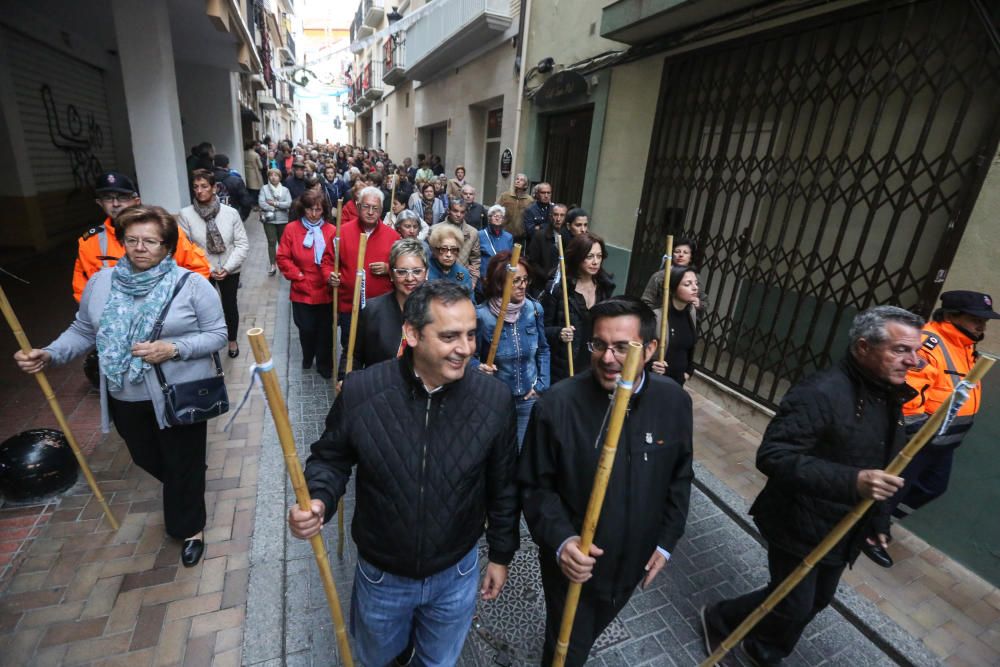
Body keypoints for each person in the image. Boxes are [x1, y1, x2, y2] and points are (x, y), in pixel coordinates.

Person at [288, 281, 519, 667]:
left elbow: (504, 484)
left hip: (456, 571)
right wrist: (318, 498)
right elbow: (330, 458)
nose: (466, 348)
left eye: (470, 334)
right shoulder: (363, 391)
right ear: (411, 334)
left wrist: (500, 553)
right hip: (383, 575)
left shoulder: (493, 400)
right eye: (449, 336)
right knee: (376, 658)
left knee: (438, 661)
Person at [700, 306, 922, 666]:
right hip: (798, 520)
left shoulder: (889, 395)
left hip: (843, 526)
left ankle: (754, 643)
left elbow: (885, 465)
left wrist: (879, 520)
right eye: (901, 350)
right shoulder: (821, 392)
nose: (913, 362)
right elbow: (773, 455)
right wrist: (853, 482)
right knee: (793, 602)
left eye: (916, 351)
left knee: (816, 600)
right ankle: (730, 626)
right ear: (863, 347)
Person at [17, 206, 227, 567]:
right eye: (132, 240)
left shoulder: (192, 286)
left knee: (183, 463)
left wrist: (173, 348)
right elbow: (83, 330)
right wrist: (49, 354)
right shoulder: (101, 283)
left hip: (180, 395)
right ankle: (185, 483)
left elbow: (218, 335)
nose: (140, 248)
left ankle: (191, 528)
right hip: (124, 394)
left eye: (150, 241)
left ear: (168, 245)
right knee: (145, 457)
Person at [519, 296, 693, 666]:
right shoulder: (557, 405)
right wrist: (562, 541)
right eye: (600, 344)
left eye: (622, 347)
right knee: (567, 648)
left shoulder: (674, 402)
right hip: (575, 567)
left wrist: (665, 542)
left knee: (593, 628)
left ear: (649, 349)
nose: (608, 358)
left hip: (633, 562)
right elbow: (535, 487)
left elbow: (679, 476)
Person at [861, 291, 1000, 568]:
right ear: (951, 315)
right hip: (919, 441)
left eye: (984, 320)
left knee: (933, 487)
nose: (981, 326)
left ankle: (879, 519)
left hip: (942, 443)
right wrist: (915, 436)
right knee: (894, 490)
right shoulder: (929, 344)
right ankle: (870, 532)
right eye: (975, 319)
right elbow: (908, 395)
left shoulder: (964, 346)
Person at [74, 172, 211, 302]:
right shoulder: (91, 242)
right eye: (108, 198)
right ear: (100, 203)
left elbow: (198, 269)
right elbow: (83, 289)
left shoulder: (165, 230)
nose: (115, 204)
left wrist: (181, 304)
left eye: (122, 197)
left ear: (136, 201)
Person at [474, 251, 549, 446]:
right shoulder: (482, 316)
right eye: (516, 281)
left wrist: (541, 385)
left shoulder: (534, 310)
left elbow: (543, 349)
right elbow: (470, 357)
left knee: (522, 452)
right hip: (495, 400)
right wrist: (479, 367)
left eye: (525, 280)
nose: (523, 285)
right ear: (499, 283)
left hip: (528, 398)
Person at [179, 170, 248, 359]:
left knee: (229, 305)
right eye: (195, 187)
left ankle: (232, 340)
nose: (199, 191)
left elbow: (242, 244)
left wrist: (227, 268)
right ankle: (209, 343)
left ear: (214, 188)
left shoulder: (230, 213)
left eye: (204, 186)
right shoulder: (185, 215)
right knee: (204, 308)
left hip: (229, 268)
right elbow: (187, 247)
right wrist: (209, 269)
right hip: (201, 271)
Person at [329, 187, 401, 348]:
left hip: (381, 309)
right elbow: (328, 259)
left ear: (381, 210)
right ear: (357, 206)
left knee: (377, 349)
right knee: (350, 349)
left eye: (375, 208)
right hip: (349, 305)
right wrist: (330, 274)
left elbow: (402, 267)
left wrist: (389, 268)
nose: (370, 212)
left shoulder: (393, 237)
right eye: (366, 207)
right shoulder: (342, 233)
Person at [342, 238, 427, 374]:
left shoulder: (437, 311)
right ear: (391, 274)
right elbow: (353, 355)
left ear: (426, 273)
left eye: (417, 271)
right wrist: (345, 379)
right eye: (402, 272)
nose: (410, 278)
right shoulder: (372, 311)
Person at [276, 189, 337, 378]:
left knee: (325, 330)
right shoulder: (292, 229)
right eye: (309, 209)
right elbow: (283, 257)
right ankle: (307, 354)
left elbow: (338, 258)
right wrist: (298, 275)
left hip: (325, 287)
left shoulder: (332, 231)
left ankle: (324, 363)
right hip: (302, 287)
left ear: (323, 211)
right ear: (303, 209)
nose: (313, 214)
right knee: (307, 328)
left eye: (318, 210)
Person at [540, 232, 615, 384]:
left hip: (595, 363)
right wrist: (559, 333)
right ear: (577, 257)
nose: (595, 262)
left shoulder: (605, 288)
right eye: (589, 257)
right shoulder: (559, 288)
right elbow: (541, 329)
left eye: (599, 256)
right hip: (564, 367)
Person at [649, 266, 699, 387]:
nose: (695, 288)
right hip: (657, 382)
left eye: (696, 283)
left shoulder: (691, 311)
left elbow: (689, 346)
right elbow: (641, 352)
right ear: (673, 288)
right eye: (687, 284)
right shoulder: (657, 317)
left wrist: (688, 371)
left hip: (678, 382)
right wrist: (651, 365)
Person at [641, 238, 709, 312]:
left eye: (685, 252)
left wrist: (699, 304)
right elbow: (646, 302)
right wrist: (657, 314)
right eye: (677, 252)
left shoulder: (695, 277)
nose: (681, 255)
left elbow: (705, 302)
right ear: (672, 254)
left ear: (690, 258)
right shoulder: (659, 276)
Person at [258, 168, 293, 277]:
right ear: (268, 177)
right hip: (269, 220)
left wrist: (275, 204)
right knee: (271, 241)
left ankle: (283, 264)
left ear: (280, 177)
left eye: (276, 175)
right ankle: (273, 264)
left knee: (283, 243)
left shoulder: (285, 190)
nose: (273, 177)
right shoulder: (264, 189)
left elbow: (288, 203)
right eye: (271, 175)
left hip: (283, 219)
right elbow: (262, 203)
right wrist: (275, 208)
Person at [439, 199, 482, 288]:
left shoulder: (473, 233)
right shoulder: (436, 230)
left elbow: (475, 259)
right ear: (448, 211)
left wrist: (472, 282)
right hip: (439, 278)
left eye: (462, 212)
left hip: (461, 279)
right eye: (455, 211)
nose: (458, 215)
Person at [527, 203, 570, 289]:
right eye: (556, 215)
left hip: (563, 284)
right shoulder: (540, 235)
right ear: (550, 216)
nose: (558, 219)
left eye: (562, 215)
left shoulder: (570, 237)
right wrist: (546, 275)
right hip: (541, 284)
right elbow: (532, 261)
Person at [427, 224, 474, 298]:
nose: (449, 254)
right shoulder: (425, 271)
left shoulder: (463, 273)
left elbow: (471, 302)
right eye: (443, 249)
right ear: (434, 250)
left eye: (454, 249)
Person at [477, 205, 514, 299]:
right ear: (489, 218)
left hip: (501, 279)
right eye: (494, 215)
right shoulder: (480, 235)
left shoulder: (508, 237)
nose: (498, 218)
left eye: (500, 216)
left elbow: (510, 259)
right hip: (485, 278)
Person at [496, 173, 532, 244]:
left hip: (520, 236)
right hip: (504, 232)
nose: (518, 181)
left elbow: (530, 218)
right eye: (517, 179)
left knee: (516, 254)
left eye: (521, 180)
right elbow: (496, 210)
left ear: (526, 185)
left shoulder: (529, 200)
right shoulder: (505, 196)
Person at [243, 140, 264, 207]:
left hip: (246, 173)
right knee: (255, 191)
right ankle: (255, 205)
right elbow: (260, 166)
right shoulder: (255, 154)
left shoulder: (243, 153)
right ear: (254, 146)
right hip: (255, 174)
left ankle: (251, 204)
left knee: (249, 190)